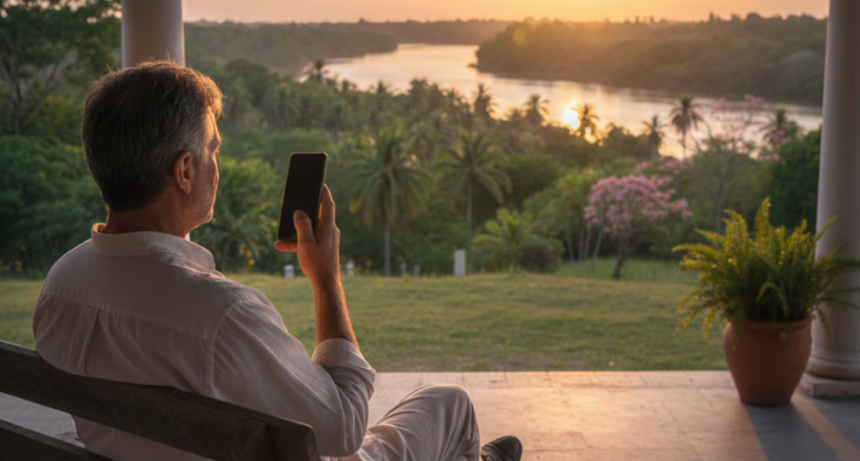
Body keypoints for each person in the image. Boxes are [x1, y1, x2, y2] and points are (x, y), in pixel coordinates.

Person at [31, 61, 522, 461]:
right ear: (185, 170)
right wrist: (325, 276)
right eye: (212, 149)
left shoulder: (61, 284)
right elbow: (344, 430)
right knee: (450, 406)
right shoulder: (220, 315)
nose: (216, 164)